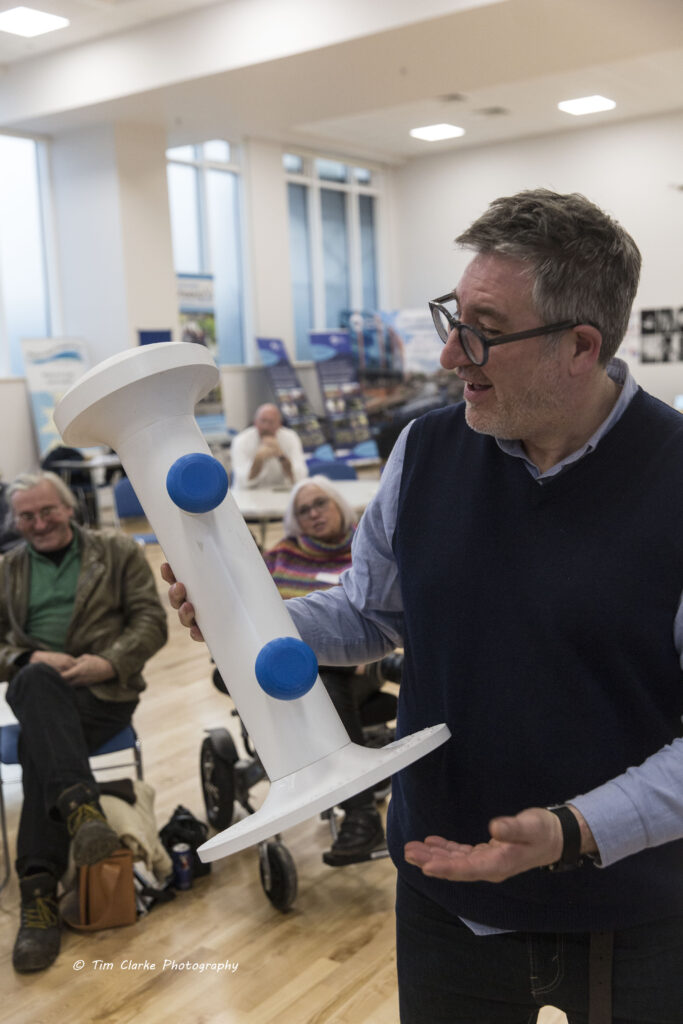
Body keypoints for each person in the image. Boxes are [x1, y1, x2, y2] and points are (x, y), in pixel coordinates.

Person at [166, 189, 683, 1023]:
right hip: (441, 891)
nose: (448, 354)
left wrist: (567, 830)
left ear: (580, 346)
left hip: (636, 916)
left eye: (480, 326)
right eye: (451, 314)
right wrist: (250, 621)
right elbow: (371, 615)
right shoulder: (429, 448)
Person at [1, 471, 167, 974]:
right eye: (27, 516)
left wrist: (109, 661)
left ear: (70, 508)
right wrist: (26, 659)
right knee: (33, 681)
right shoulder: (7, 569)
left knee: (38, 749)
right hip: (41, 691)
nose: (39, 523)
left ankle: (39, 902)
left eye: (47, 511)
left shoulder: (117, 552)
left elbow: (151, 622)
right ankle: (81, 809)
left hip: (102, 692)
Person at [263, 476, 385, 864]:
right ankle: (361, 813)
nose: (314, 513)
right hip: (284, 677)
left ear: (339, 505)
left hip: (363, 665)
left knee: (328, 678)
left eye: (321, 504)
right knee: (318, 676)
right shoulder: (281, 554)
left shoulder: (369, 546)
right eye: (304, 510)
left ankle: (362, 811)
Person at [230, 403, 308, 489]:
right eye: (263, 421)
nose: (266, 427)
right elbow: (242, 481)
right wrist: (258, 459)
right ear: (255, 422)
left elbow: (300, 478)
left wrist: (281, 455)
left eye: (271, 422)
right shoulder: (241, 440)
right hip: (248, 495)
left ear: (279, 424)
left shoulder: (291, 438)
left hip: (280, 494)